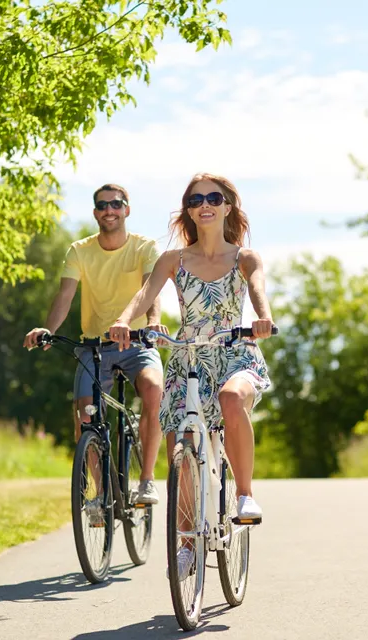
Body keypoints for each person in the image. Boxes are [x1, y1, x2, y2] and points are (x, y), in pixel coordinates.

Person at [109, 173, 273, 525]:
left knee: (232, 398)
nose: (205, 205)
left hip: (234, 352)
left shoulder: (245, 257)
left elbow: (257, 287)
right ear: (189, 210)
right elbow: (145, 294)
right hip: (189, 357)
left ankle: (245, 496)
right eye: (195, 200)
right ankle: (185, 541)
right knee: (182, 444)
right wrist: (123, 320)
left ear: (227, 207)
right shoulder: (174, 259)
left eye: (214, 198)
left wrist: (263, 317)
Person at [23, 183, 164, 506]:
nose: (109, 210)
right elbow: (65, 295)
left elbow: (150, 291)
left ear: (126, 209)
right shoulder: (80, 250)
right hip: (94, 347)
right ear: (95, 213)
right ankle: (101, 496)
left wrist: (153, 322)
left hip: (137, 343)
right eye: (102, 205)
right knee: (85, 416)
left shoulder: (144, 247)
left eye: (116, 204)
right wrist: (48, 329)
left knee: (154, 390)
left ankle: (146, 481)